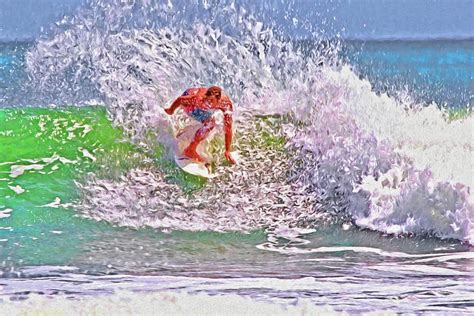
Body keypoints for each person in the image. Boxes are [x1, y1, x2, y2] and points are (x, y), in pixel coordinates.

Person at [164, 86, 236, 164]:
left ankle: (184, 134)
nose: (208, 103)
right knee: (210, 123)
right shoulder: (199, 99)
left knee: (211, 122)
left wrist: (227, 150)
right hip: (188, 100)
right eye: (207, 100)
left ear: (218, 100)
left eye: (211, 101)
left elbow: (228, 127)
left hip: (195, 102)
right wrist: (170, 110)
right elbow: (180, 100)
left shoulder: (225, 104)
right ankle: (190, 150)